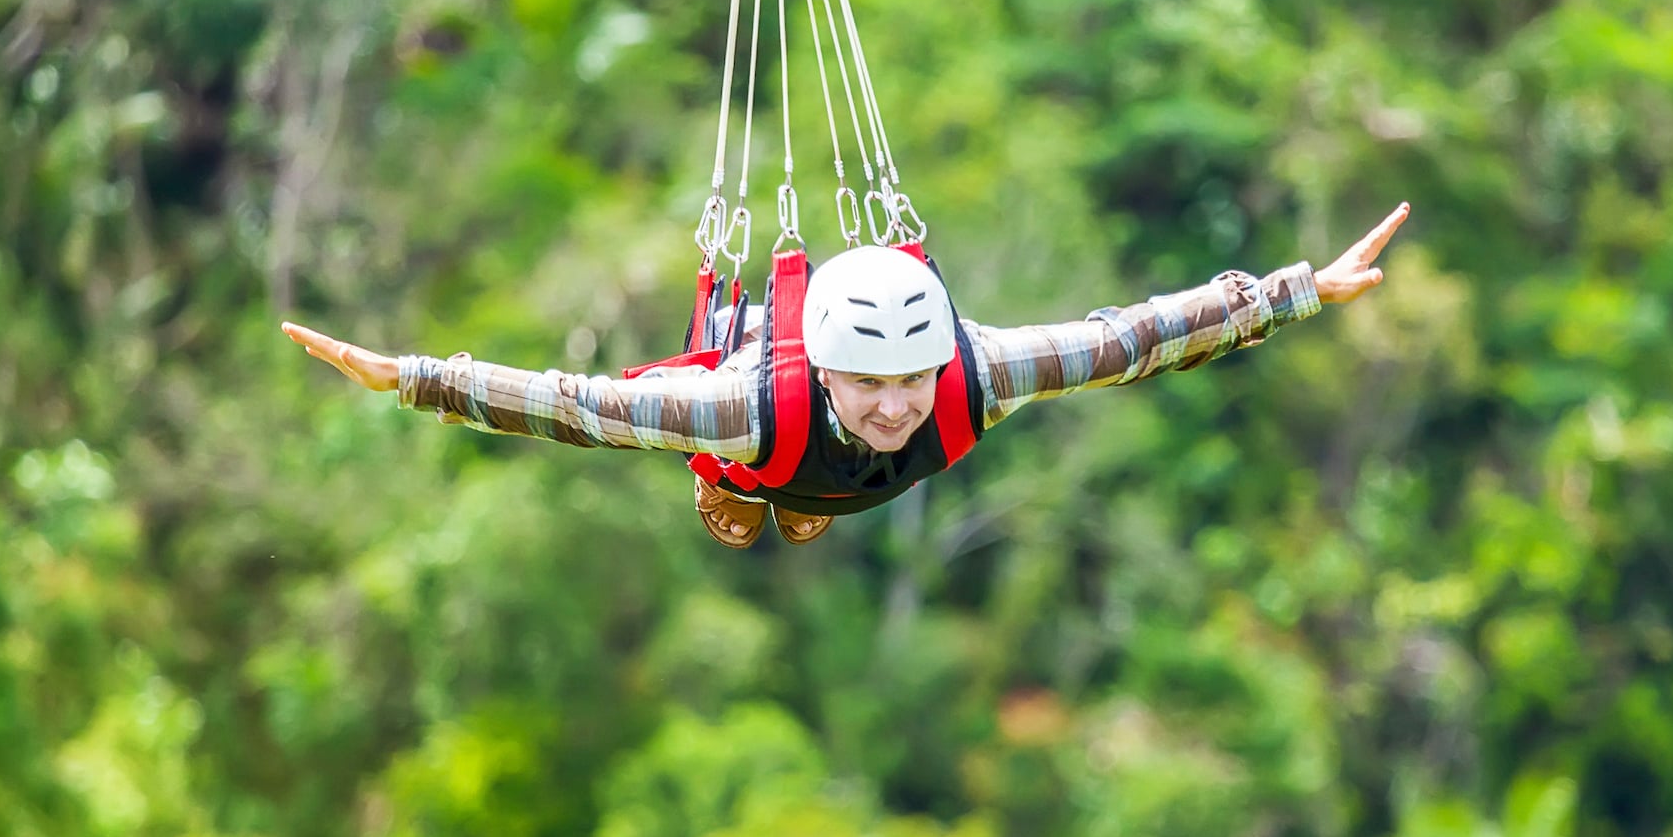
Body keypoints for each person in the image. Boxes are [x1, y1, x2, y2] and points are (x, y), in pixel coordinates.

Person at [283, 202, 1410, 546]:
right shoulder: (739, 404)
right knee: (747, 486)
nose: (893, 405)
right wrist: (415, 378)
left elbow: (1132, 339)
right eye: (868, 387)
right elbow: (581, 407)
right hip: (761, 456)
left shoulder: (974, 375)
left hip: (811, 463)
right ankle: (742, 498)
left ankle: (791, 505)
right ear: (823, 373)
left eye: (908, 382)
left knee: (841, 476)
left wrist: (1298, 289)